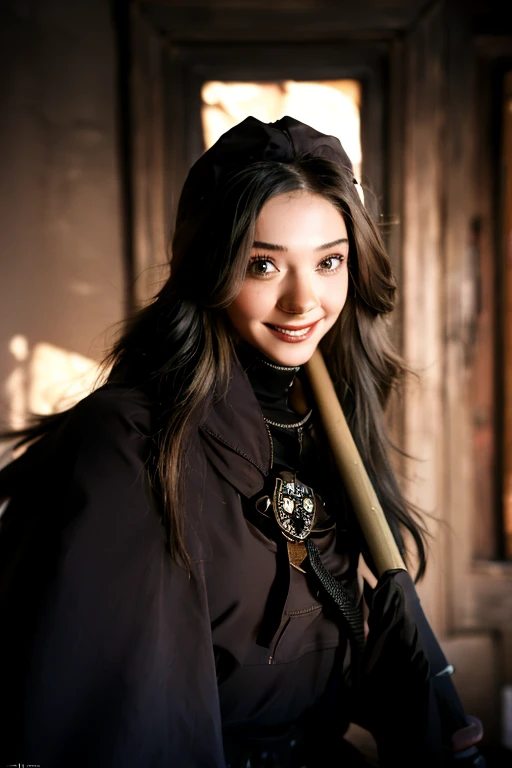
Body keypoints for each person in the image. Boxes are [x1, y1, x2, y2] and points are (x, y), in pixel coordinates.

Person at [0, 116, 486, 767]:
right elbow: (122, 721)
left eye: (329, 261)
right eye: (263, 265)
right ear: (209, 267)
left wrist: (385, 682)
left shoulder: (317, 417)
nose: (304, 301)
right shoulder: (131, 443)